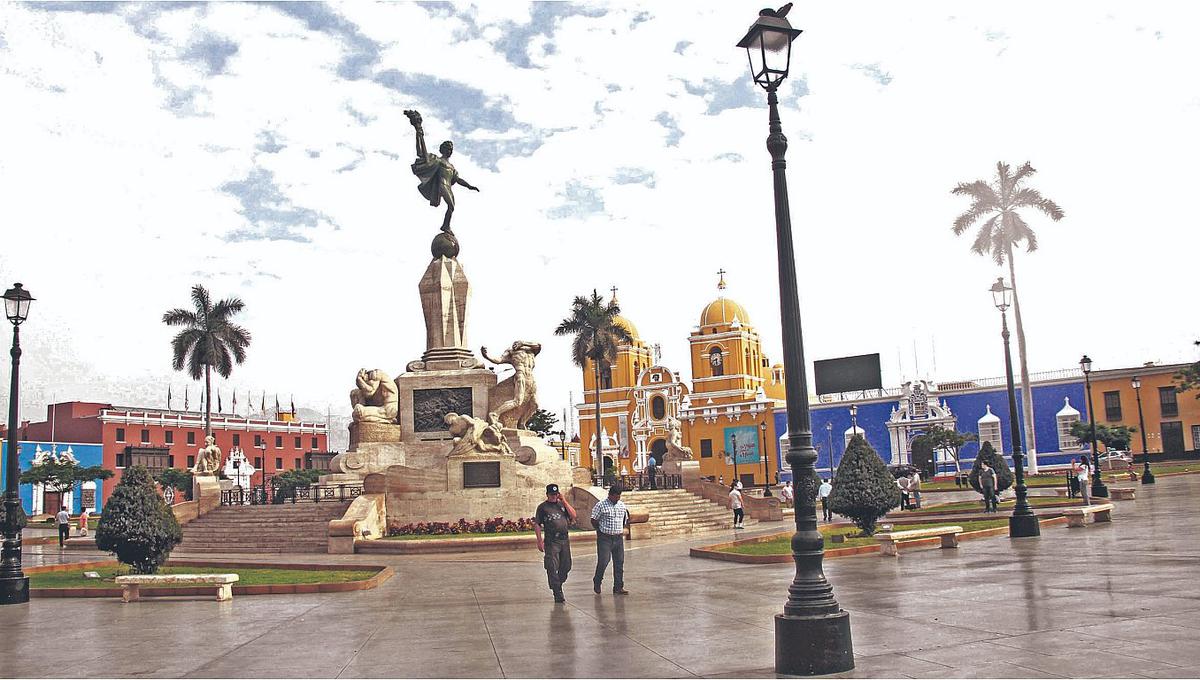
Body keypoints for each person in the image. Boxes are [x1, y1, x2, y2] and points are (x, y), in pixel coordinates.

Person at [534, 483, 577, 603]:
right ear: (547, 494)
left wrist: (564, 501)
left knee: (566, 566)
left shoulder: (562, 505)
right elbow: (537, 524)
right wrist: (539, 540)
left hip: (564, 539)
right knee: (552, 566)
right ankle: (557, 591)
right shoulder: (542, 507)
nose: (554, 497)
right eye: (551, 495)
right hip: (552, 541)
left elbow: (573, 515)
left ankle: (557, 583)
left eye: (555, 494)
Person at [591, 485, 630, 595]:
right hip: (605, 538)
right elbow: (593, 519)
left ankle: (618, 586)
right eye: (615, 497)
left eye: (619, 497)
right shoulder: (601, 505)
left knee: (619, 562)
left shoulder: (621, 505)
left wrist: (620, 529)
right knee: (604, 561)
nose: (617, 499)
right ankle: (597, 580)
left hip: (618, 538)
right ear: (610, 495)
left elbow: (624, 519)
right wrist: (600, 530)